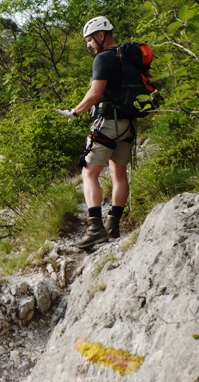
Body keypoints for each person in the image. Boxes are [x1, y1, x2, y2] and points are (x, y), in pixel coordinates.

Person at [55, 16, 134, 250]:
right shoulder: (127, 56)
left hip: (107, 122)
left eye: (90, 39)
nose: (88, 44)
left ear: (101, 35)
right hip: (128, 123)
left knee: (88, 173)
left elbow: (95, 93)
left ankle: (95, 229)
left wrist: (75, 112)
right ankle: (113, 225)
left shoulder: (103, 58)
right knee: (118, 171)